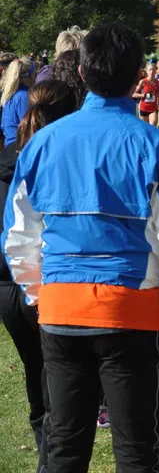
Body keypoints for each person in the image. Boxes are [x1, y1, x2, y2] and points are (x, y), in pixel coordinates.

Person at [1, 22, 159, 473]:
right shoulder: (153, 143)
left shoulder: (42, 144)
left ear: (80, 71)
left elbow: (18, 236)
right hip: (129, 313)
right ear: (139, 75)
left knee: (63, 449)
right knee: (136, 452)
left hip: (60, 311)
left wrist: (42, 297)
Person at [0, 79, 78, 473]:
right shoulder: (61, 156)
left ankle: (44, 453)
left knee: (39, 377)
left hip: (8, 288)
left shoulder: (10, 155)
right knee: (60, 391)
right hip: (44, 283)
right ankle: (49, 460)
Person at [1, 57, 36, 147]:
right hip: (18, 148)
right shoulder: (23, 96)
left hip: (10, 147)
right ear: (31, 75)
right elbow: (29, 128)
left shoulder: (11, 93)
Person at [132, 62, 159, 126]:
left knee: (153, 124)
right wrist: (143, 95)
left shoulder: (158, 82)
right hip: (143, 108)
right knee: (144, 127)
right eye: (150, 70)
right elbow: (133, 94)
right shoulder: (143, 81)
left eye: (153, 70)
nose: (152, 71)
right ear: (147, 71)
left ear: (155, 71)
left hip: (153, 108)